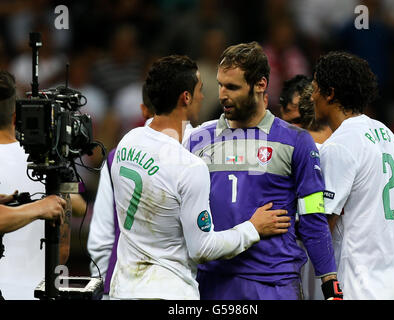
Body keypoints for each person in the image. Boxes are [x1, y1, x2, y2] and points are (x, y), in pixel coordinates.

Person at [108, 55, 290, 300]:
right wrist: (252, 228)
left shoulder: (127, 142)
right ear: (186, 97)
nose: (204, 97)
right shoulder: (189, 167)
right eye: (200, 90)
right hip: (168, 292)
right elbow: (202, 248)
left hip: (123, 289)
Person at [188, 42, 341, 300]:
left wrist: (331, 286)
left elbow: (313, 219)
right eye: (220, 84)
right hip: (211, 284)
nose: (222, 94)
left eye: (233, 87)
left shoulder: (296, 141)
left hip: (273, 284)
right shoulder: (197, 141)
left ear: (260, 84)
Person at [311, 51, 394, 299]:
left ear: (330, 93)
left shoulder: (339, 146)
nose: (312, 96)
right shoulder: (385, 132)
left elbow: (322, 223)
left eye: (315, 89)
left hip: (361, 287)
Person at [0, 70, 69, 300]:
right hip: (40, 290)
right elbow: (63, 250)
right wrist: (42, 206)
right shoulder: (48, 157)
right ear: (15, 115)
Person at [88, 83, 156, 298]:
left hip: (121, 285)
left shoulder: (116, 157)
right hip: (173, 288)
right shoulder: (194, 158)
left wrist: (103, 285)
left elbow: (101, 239)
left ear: (144, 110)